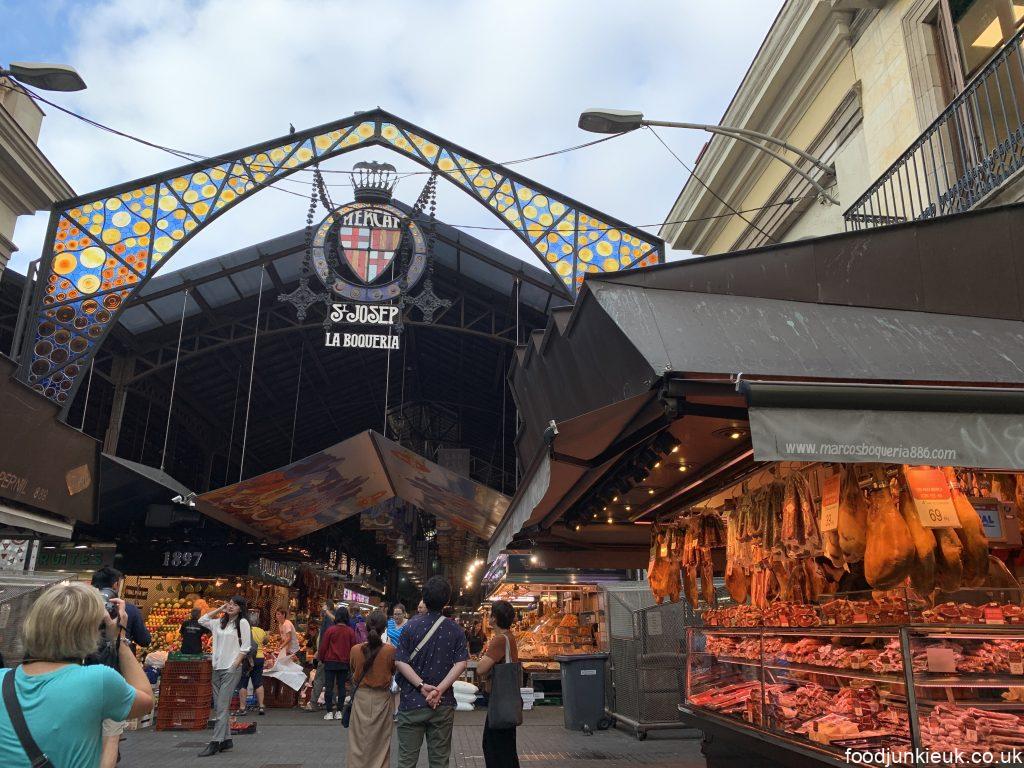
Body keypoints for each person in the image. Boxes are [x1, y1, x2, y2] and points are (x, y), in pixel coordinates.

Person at [0, 582, 153, 768]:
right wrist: (119, 639)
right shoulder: (99, 681)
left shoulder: (2, 679)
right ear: (91, 630)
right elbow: (146, 700)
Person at [395, 576, 469, 768]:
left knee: (406, 762)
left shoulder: (410, 626)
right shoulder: (456, 630)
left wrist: (421, 686)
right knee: (439, 761)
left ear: (424, 598)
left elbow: (400, 661)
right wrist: (439, 690)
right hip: (442, 704)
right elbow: (461, 663)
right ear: (447, 600)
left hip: (411, 703)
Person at [197, 596, 252, 757]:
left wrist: (234, 666)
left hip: (230, 669)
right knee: (220, 706)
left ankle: (215, 741)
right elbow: (202, 620)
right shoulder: (219, 623)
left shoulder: (242, 623)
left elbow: (245, 647)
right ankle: (227, 740)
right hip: (217, 668)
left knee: (221, 706)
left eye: (235, 605)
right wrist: (220, 609)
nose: (231, 607)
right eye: (230, 604)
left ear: (241, 608)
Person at [346, 610, 396, 768]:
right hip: (382, 699)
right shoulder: (390, 651)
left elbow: (353, 670)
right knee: (381, 743)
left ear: (366, 627)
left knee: (357, 743)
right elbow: (393, 671)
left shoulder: (355, 650)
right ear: (384, 629)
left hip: (361, 698)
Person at [475, 600, 521, 768]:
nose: (488, 617)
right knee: (505, 748)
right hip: (506, 701)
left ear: (494, 618)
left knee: (494, 747)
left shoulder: (500, 640)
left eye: (490, 614)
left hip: (499, 701)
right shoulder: (509, 637)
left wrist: (483, 658)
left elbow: (481, 668)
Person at [91, 566, 151, 648]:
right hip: (119, 655)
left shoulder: (81, 607)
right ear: (116, 585)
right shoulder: (129, 609)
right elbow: (144, 641)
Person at [318, 606, 356, 720]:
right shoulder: (350, 631)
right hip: (344, 662)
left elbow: (323, 646)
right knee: (341, 687)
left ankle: (329, 711)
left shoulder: (330, 630)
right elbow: (353, 648)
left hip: (330, 661)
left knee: (329, 687)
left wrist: (321, 658)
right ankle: (339, 711)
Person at [235, 612, 267, 716]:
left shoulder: (246, 630)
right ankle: (261, 706)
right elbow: (266, 641)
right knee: (258, 682)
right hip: (260, 657)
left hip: (247, 658)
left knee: (243, 683)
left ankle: (242, 707)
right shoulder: (261, 631)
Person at [307, 600, 336, 711]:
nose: (321, 609)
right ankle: (333, 702)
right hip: (333, 655)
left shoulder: (328, 619)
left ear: (326, 607)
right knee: (331, 680)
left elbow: (325, 638)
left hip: (325, 654)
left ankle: (313, 703)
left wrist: (320, 652)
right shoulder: (334, 619)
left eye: (323, 606)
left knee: (319, 678)